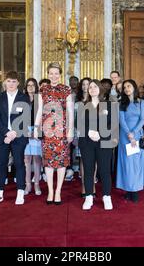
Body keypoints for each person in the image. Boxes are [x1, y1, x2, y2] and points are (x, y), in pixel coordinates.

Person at [34, 62, 74, 205]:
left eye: (56, 73)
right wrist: (36, 127)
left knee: (61, 162)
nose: (54, 76)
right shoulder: (43, 90)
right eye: (51, 73)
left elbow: (70, 111)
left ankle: (58, 191)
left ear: (60, 74)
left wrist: (70, 130)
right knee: (49, 162)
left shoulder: (66, 89)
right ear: (48, 74)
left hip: (62, 131)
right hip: (47, 131)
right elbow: (39, 110)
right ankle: (50, 191)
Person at [0, 71, 30, 206]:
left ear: (18, 83)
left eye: (14, 81)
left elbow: (25, 118)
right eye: (9, 81)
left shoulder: (24, 98)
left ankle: (20, 192)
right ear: (5, 82)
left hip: (18, 136)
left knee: (19, 164)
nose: (11, 84)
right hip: (2, 136)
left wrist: (14, 133)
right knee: (1, 165)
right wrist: (7, 132)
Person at [79, 80, 116, 210]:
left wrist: (100, 133)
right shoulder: (83, 105)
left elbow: (113, 124)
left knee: (104, 171)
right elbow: (80, 124)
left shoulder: (109, 105)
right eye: (90, 87)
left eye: (95, 86)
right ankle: (89, 197)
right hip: (87, 142)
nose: (92, 89)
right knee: (88, 171)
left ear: (100, 89)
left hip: (104, 141)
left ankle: (107, 197)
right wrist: (89, 132)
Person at [116, 79, 144, 202]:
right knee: (126, 164)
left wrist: (133, 134)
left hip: (137, 135)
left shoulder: (141, 102)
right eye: (124, 87)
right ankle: (128, 189)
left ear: (134, 87)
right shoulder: (121, 103)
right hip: (124, 136)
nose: (127, 89)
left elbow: (143, 119)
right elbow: (121, 120)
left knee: (135, 164)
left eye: (129, 86)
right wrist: (129, 134)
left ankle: (134, 191)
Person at [23, 78, 42, 196]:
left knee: (36, 159)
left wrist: (36, 130)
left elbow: (43, 116)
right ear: (26, 87)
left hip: (36, 130)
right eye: (28, 85)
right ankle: (28, 184)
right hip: (24, 131)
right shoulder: (21, 98)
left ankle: (37, 184)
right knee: (27, 159)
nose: (31, 87)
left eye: (33, 85)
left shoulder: (39, 99)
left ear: (36, 87)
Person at [75, 77, 92, 192]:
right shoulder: (76, 103)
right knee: (82, 159)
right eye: (84, 84)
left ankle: (92, 185)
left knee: (93, 160)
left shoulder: (95, 101)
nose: (86, 87)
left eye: (88, 84)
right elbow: (74, 120)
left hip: (93, 134)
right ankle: (84, 186)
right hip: (80, 134)